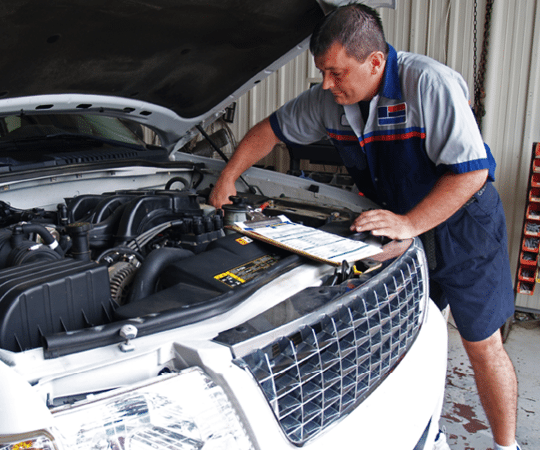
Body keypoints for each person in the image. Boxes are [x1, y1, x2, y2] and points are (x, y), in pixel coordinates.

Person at [209, 4, 520, 450]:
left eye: (336, 73)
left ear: (375, 62)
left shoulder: (427, 83)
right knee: (401, 333)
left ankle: (507, 445)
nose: (326, 85)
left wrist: (411, 222)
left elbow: (469, 172)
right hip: (395, 225)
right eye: (322, 73)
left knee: (480, 341)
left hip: (461, 224)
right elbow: (270, 131)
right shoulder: (329, 100)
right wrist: (228, 176)